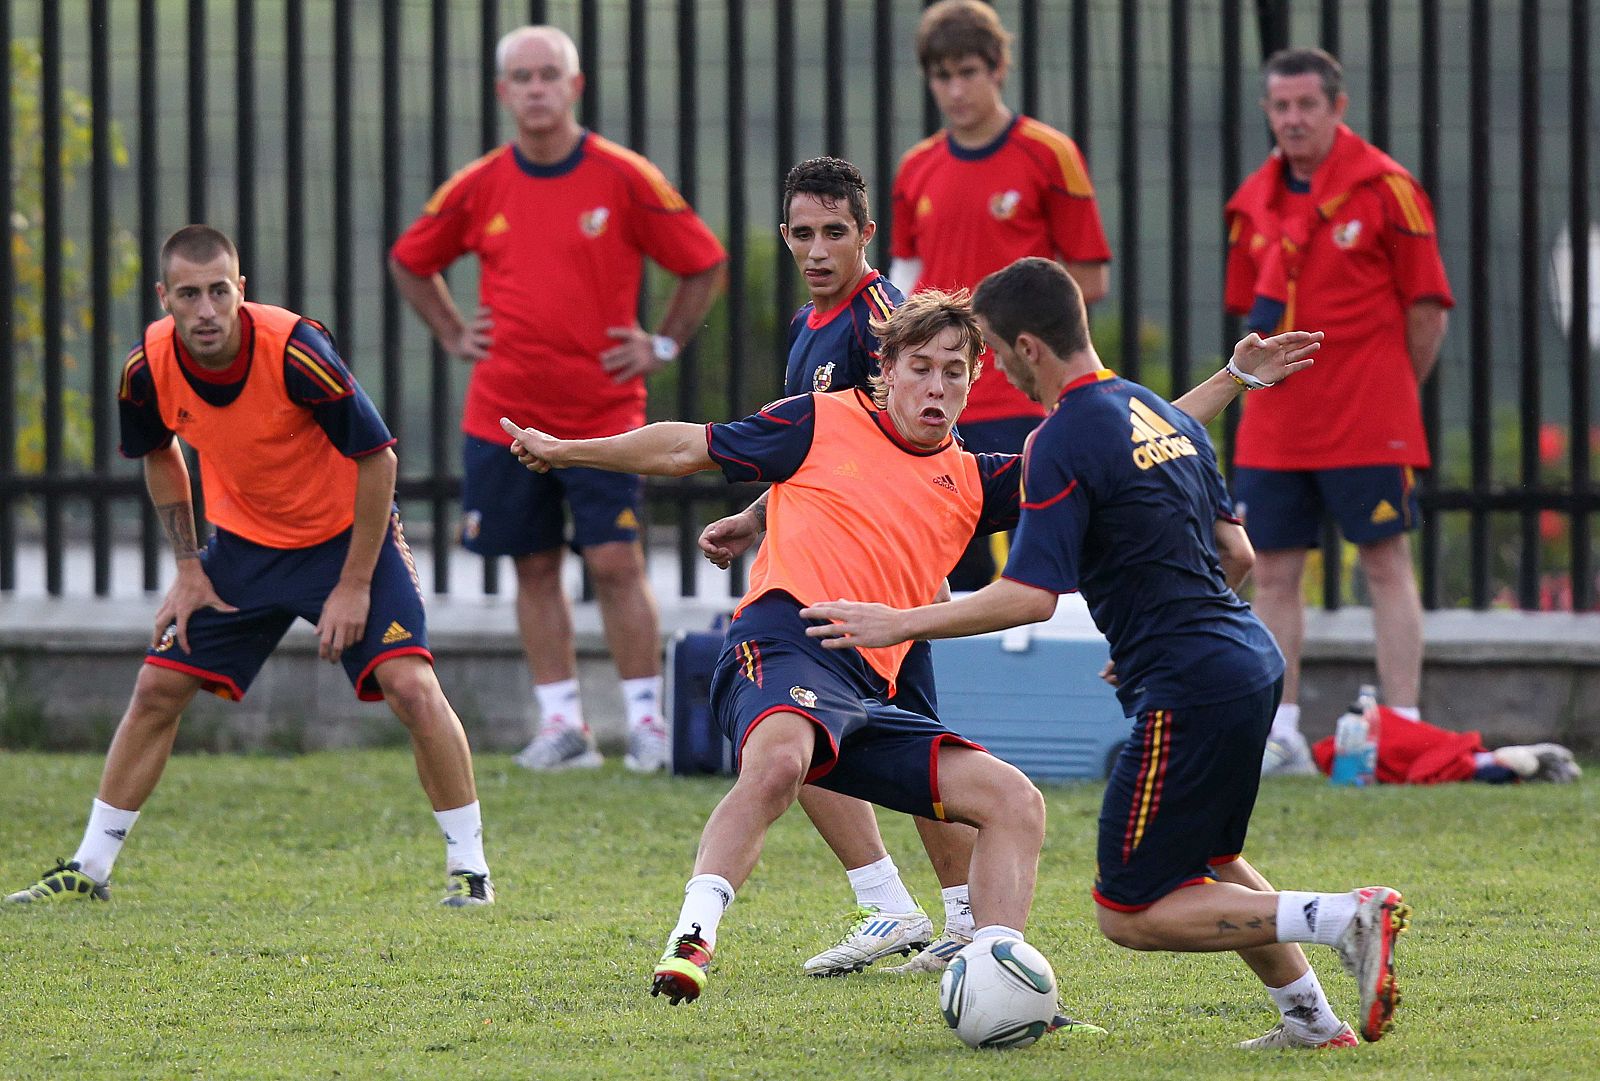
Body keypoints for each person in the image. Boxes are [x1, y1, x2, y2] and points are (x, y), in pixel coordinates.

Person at [803, 257, 1412, 1049]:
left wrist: (897, 622)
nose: (992, 374)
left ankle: (1347, 916)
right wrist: (1162, 626)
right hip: (1247, 657)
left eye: (990, 350)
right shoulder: (1154, 414)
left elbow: (1029, 598)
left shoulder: (1060, 436)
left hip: (1190, 681)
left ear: (1027, 345)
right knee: (1214, 852)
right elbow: (1241, 555)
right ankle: (1313, 1020)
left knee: (1130, 910)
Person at [503, 290, 1101, 1026]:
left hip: (870, 691)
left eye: (954, 370)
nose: (936, 386)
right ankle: (694, 933)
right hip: (783, 641)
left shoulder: (976, 481)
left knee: (1015, 801)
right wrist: (568, 449)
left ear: (977, 379)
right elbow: (687, 444)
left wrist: (1232, 379)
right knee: (783, 759)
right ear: (885, 369)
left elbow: (1125, 436)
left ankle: (1001, 973)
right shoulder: (820, 418)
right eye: (920, 367)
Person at [5, 226, 495, 908]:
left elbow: (378, 457)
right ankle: (89, 867)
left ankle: (471, 872)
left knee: (410, 686)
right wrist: (188, 565)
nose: (205, 309)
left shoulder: (296, 350)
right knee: (156, 688)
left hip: (346, 540)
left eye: (217, 291)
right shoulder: (145, 367)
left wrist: (353, 584)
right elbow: (158, 452)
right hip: (243, 549)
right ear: (164, 298)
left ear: (241, 289)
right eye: (188, 294)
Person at [389, 25, 727, 775]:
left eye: (550, 75)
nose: (536, 88)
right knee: (533, 566)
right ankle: (563, 724)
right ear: (504, 92)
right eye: (522, 77)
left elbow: (702, 263)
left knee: (614, 559)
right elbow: (412, 260)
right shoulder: (479, 184)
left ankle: (646, 722)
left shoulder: (626, 177)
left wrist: (662, 343)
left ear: (574, 87)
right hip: (502, 417)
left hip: (606, 415)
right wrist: (451, 328)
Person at [699, 156, 979, 979]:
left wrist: (926, 554)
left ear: (866, 233)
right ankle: (892, 904)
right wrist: (756, 515)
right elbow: (829, 448)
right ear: (786, 236)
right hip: (823, 576)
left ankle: (960, 917)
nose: (818, 249)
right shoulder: (808, 322)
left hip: (883, 580)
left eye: (835, 233)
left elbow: (925, 433)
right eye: (802, 234)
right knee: (797, 729)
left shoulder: (883, 318)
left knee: (917, 746)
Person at [1223, 47, 1453, 776]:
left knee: (1386, 562)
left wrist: (1391, 387)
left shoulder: (1388, 188)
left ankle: (1403, 723)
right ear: (1268, 112)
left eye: (1306, 106)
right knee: (1274, 569)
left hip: (1366, 415)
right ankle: (1280, 729)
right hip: (1274, 421)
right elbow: (1244, 314)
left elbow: (1427, 311)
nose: (1292, 119)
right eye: (1280, 106)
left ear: (1337, 108)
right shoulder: (1251, 200)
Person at [891, 0, 1110, 591]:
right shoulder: (916, 168)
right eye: (942, 75)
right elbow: (903, 284)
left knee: (1049, 565)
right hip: (942, 399)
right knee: (947, 573)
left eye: (968, 72)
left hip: (1027, 399)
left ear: (998, 69)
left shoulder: (1048, 154)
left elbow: (1088, 280)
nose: (955, 89)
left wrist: (1030, 353)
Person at [1309, 707, 1582, 785]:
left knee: (1449, 759)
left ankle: (1494, 763)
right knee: (1452, 756)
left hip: (1393, 738)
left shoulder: (1338, 747)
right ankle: (1494, 762)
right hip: (1404, 736)